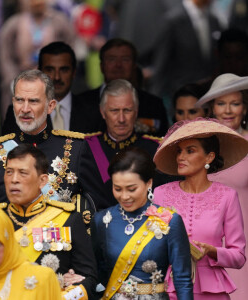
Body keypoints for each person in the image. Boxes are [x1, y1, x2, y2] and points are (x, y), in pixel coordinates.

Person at [0, 69, 102, 221]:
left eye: (33, 101)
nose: (25, 109)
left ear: (50, 106)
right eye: (20, 100)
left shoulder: (77, 148)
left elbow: (99, 210)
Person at [153, 118, 247, 300]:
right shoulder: (161, 194)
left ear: (209, 157)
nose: (181, 157)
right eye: (179, 151)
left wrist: (212, 251)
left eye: (190, 151)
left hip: (213, 292)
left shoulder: (227, 196)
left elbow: (239, 256)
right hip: (170, 289)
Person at [91, 147, 193, 299]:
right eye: (117, 188)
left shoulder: (170, 220)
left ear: (149, 183)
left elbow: (182, 279)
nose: (124, 196)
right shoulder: (102, 220)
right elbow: (95, 272)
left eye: (131, 189)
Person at [2, 143, 97, 299]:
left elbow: (89, 280)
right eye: (9, 172)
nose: (14, 180)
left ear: (42, 180)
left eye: (23, 173)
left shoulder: (68, 219)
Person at [84, 79, 177, 210]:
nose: (121, 119)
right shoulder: (85, 149)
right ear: (103, 112)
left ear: (136, 111)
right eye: (114, 111)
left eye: (127, 110)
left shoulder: (157, 150)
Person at [195, 75, 248, 300]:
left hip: (243, 242)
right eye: (221, 103)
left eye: (234, 103)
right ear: (211, 109)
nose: (228, 110)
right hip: (203, 244)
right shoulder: (197, 145)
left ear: (244, 108)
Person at [2, 41, 102, 134]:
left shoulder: (94, 112)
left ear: (74, 72)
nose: (57, 77)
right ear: (39, 72)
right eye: (50, 70)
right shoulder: (18, 113)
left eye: (64, 70)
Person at [0, 0, 75, 119]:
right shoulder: (14, 24)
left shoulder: (60, 22)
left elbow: (70, 49)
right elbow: (5, 56)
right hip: (21, 78)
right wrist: (12, 79)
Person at [77, 38, 168, 137]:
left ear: (134, 66)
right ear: (101, 66)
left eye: (125, 59)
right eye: (112, 59)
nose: (118, 65)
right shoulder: (80, 104)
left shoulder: (154, 105)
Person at [150, 0, 221, 113]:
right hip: (180, 99)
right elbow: (161, 65)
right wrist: (154, 104)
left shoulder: (214, 21)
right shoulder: (172, 20)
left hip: (207, 100)